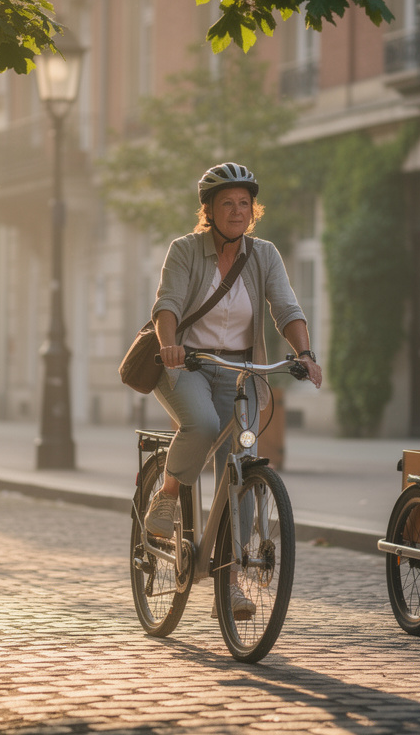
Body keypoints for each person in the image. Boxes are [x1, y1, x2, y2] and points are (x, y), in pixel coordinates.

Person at [144, 162, 324, 618]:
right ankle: (167, 495)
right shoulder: (185, 250)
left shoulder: (264, 255)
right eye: (227, 203)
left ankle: (229, 584)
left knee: (241, 467)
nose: (237, 210)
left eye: (244, 203)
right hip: (187, 363)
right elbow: (167, 304)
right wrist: (169, 346)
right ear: (209, 210)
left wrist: (305, 353)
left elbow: (286, 308)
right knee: (203, 424)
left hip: (240, 371)